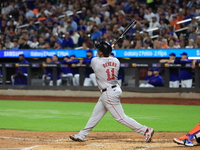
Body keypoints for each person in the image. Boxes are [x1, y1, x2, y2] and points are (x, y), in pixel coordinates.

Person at [69, 41, 154, 142]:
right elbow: (107, 58)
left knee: (120, 118)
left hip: (109, 93)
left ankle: (145, 130)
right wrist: (107, 49)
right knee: (96, 114)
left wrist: (106, 49)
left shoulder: (95, 61)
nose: (97, 50)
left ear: (101, 52)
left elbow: (98, 57)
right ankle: (82, 134)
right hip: (113, 90)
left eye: (99, 49)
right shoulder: (116, 60)